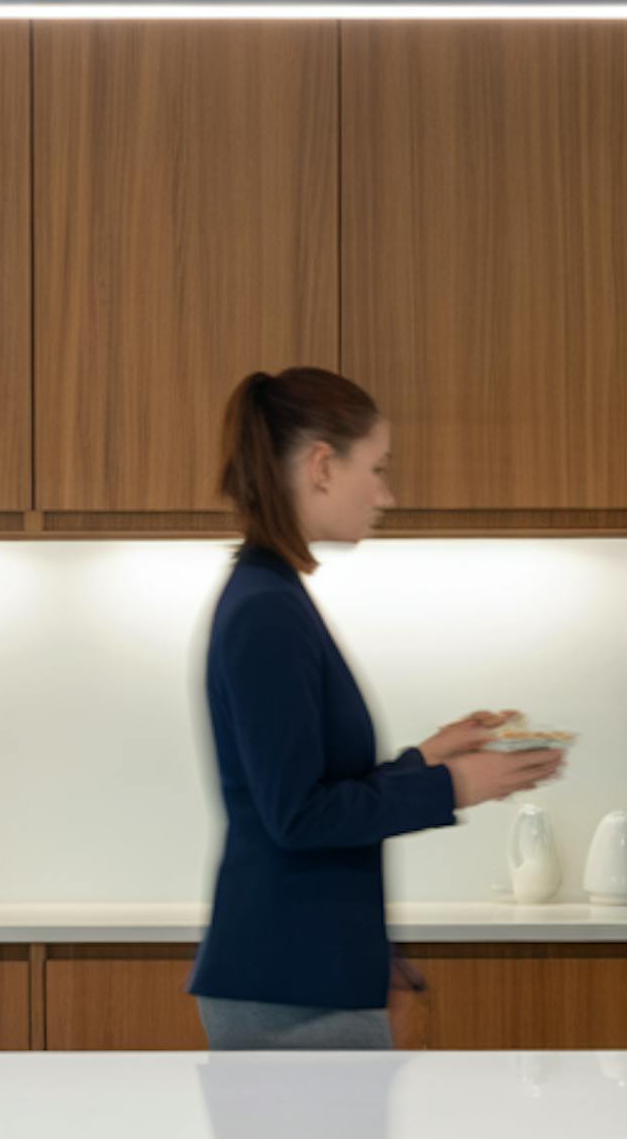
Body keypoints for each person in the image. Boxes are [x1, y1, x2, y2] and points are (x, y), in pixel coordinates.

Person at [188, 368, 562, 1051]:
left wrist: (427, 758)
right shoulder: (266, 611)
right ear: (322, 466)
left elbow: (316, 791)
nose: (386, 494)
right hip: (286, 986)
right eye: (378, 468)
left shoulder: (272, 596)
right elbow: (299, 817)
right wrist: (455, 785)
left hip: (304, 974)